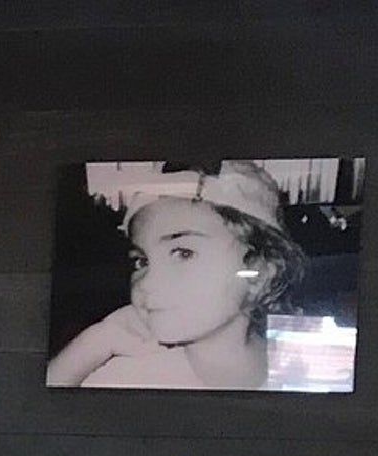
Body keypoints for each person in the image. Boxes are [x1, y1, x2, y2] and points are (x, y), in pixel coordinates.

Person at [47, 161, 308, 390]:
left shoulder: (304, 364)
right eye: (142, 261)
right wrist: (95, 343)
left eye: (184, 253)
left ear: (259, 274)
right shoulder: (127, 376)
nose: (146, 282)